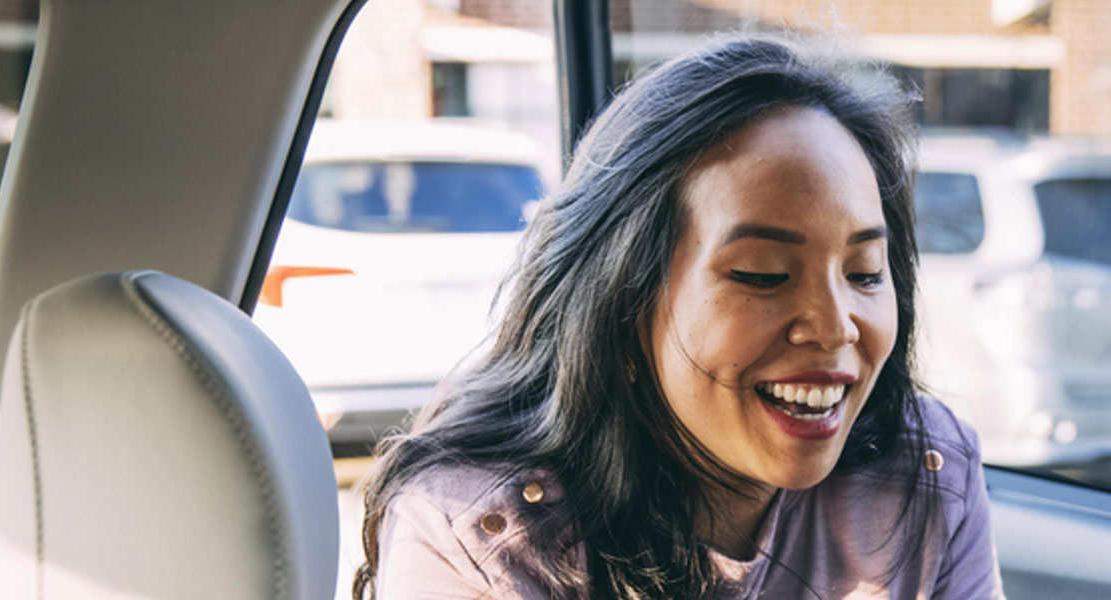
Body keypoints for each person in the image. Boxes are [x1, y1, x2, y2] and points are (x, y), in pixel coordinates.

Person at [351, 33, 1004, 599]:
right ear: (623, 301)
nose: (836, 328)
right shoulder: (476, 541)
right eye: (763, 275)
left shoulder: (924, 475)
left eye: (864, 274)